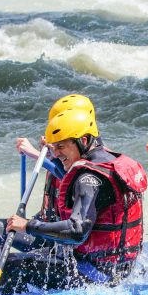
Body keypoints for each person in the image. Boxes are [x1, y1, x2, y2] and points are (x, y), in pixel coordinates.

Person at [0, 108, 147, 292]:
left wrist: (28, 225)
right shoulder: (113, 162)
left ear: (83, 141)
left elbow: (77, 231)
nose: (56, 154)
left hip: (95, 274)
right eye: (54, 148)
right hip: (121, 269)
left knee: (9, 266)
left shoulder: (88, 179)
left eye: (61, 147)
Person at [16, 93, 98, 222]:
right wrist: (51, 153)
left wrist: (38, 156)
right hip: (53, 219)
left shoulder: (95, 156)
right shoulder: (72, 149)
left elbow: (72, 182)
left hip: (65, 229)